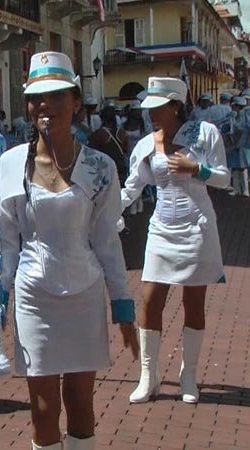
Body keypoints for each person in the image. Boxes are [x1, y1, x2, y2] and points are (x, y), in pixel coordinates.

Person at [0, 52, 138, 450]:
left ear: (76, 102)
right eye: (36, 98)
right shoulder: (8, 165)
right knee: (43, 407)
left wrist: (123, 308)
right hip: (34, 295)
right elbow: (5, 243)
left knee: (81, 403)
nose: (45, 105)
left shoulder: (100, 167)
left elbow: (107, 242)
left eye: (56, 96)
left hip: (85, 294)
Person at [122, 77, 230, 405]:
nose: (151, 113)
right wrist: (102, 211)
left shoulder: (205, 133)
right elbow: (131, 188)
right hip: (161, 230)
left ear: (175, 106)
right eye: (149, 108)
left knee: (193, 302)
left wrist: (197, 169)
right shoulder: (146, 145)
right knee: (150, 299)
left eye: (158, 107)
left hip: (197, 228)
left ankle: (189, 375)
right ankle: (149, 375)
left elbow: (224, 178)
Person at [88, 105, 128, 187]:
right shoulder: (122, 133)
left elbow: (90, 142)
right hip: (121, 167)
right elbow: (125, 149)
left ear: (102, 118)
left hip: (107, 168)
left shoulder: (100, 133)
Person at [123, 101, 149, 215]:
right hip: (128, 156)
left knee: (139, 178)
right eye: (136, 110)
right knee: (131, 179)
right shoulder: (124, 125)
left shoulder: (144, 125)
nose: (139, 112)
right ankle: (133, 201)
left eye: (140, 110)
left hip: (141, 156)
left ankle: (138, 202)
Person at [228, 96, 250, 196]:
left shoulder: (245, 115)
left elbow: (245, 129)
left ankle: (245, 190)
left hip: (243, 145)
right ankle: (236, 189)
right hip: (234, 144)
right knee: (235, 166)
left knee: (243, 167)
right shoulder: (233, 116)